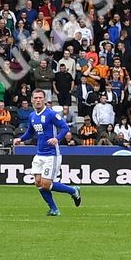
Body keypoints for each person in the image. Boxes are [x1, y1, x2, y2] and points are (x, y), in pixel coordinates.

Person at [14, 89, 82, 217]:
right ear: (32, 100)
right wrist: (20, 139)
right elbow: (30, 132)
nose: (38, 100)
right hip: (39, 154)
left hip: (52, 154)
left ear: (44, 100)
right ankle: (54, 209)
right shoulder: (32, 116)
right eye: (36, 98)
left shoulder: (50, 114)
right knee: (38, 182)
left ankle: (73, 190)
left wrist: (57, 139)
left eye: (40, 98)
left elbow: (65, 127)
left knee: (46, 184)